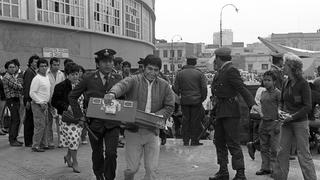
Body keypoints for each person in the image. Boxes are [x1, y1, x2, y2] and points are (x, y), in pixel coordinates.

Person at [105, 54, 174, 180]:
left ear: (159, 71)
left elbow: (169, 106)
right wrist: (112, 93)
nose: (152, 73)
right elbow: (121, 85)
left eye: (156, 70)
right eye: (150, 69)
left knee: (151, 170)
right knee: (132, 169)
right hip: (133, 131)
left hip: (152, 131)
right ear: (144, 68)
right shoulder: (133, 79)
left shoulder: (164, 85)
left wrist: (157, 115)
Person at [69, 48, 122, 180]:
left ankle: (109, 177)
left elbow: (124, 98)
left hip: (113, 123)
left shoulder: (118, 78)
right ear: (98, 64)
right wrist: (79, 115)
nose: (108, 64)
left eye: (110, 61)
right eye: (104, 62)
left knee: (111, 153)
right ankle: (99, 175)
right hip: (94, 124)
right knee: (97, 153)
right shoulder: (88, 78)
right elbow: (72, 96)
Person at [209, 47, 255, 180]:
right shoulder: (221, 71)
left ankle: (240, 173)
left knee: (233, 142)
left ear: (218, 58)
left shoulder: (231, 70)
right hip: (221, 109)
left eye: (215, 59)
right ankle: (223, 171)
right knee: (219, 141)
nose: (214, 62)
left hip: (230, 111)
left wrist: (252, 105)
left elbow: (242, 88)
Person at [273, 53, 317, 180]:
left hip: (299, 123)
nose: (283, 67)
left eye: (285, 65)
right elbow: (281, 100)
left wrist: (292, 117)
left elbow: (307, 106)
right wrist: (279, 111)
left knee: (303, 154)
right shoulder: (286, 81)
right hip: (286, 122)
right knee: (281, 153)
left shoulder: (303, 83)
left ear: (292, 67)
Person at [246, 52, 285, 160]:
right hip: (271, 107)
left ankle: (254, 145)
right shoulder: (273, 72)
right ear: (280, 60)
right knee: (270, 138)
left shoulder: (276, 71)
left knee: (269, 136)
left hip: (272, 108)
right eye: (266, 80)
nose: (266, 81)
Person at [52, 62, 82, 173]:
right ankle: (75, 162)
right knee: (73, 139)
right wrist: (66, 106)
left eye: (77, 74)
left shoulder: (81, 85)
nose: (75, 76)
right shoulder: (60, 86)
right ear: (67, 75)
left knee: (75, 140)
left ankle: (68, 157)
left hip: (79, 118)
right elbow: (54, 102)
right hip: (67, 118)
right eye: (73, 74)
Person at [172, 56, 207, 146]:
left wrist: (181, 95)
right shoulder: (199, 74)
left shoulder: (180, 74)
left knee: (185, 120)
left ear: (187, 62)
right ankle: (194, 140)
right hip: (196, 101)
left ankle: (186, 140)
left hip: (184, 101)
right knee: (195, 121)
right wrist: (202, 98)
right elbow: (204, 88)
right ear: (195, 63)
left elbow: (175, 88)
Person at [252, 71, 281, 176]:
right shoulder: (263, 93)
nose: (266, 82)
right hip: (264, 123)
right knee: (263, 147)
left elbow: (281, 109)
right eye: (265, 80)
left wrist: (279, 124)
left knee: (274, 149)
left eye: (269, 80)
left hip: (274, 123)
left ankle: (275, 170)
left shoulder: (278, 93)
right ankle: (265, 168)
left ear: (274, 81)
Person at [30, 58, 51, 152]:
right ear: (38, 67)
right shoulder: (37, 78)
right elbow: (32, 93)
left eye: (45, 66)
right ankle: (35, 145)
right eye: (42, 66)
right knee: (39, 125)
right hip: (37, 105)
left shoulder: (46, 77)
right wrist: (40, 102)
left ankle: (43, 144)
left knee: (45, 125)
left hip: (45, 104)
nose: (44, 67)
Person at [2, 60, 24, 146]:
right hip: (11, 100)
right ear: (7, 69)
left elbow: (18, 84)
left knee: (16, 120)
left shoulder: (12, 76)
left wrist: (19, 84)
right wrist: (19, 84)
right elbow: (18, 86)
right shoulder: (7, 77)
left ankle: (14, 138)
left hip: (15, 100)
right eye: (10, 67)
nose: (12, 69)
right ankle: (12, 140)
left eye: (13, 67)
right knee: (15, 120)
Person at [47, 57, 65, 148]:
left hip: (58, 102)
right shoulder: (46, 74)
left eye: (58, 65)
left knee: (59, 123)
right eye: (54, 65)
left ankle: (61, 141)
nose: (56, 66)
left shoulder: (61, 74)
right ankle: (50, 142)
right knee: (49, 122)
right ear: (51, 65)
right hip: (47, 101)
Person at [23, 54, 40, 147]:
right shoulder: (29, 72)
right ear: (30, 63)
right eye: (35, 62)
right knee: (29, 121)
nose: (36, 64)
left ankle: (29, 140)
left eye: (38, 62)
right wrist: (27, 100)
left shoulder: (33, 71)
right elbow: (27, 87)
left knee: (31, 121)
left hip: (31, 99)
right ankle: (28, 141)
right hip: (29, 100)